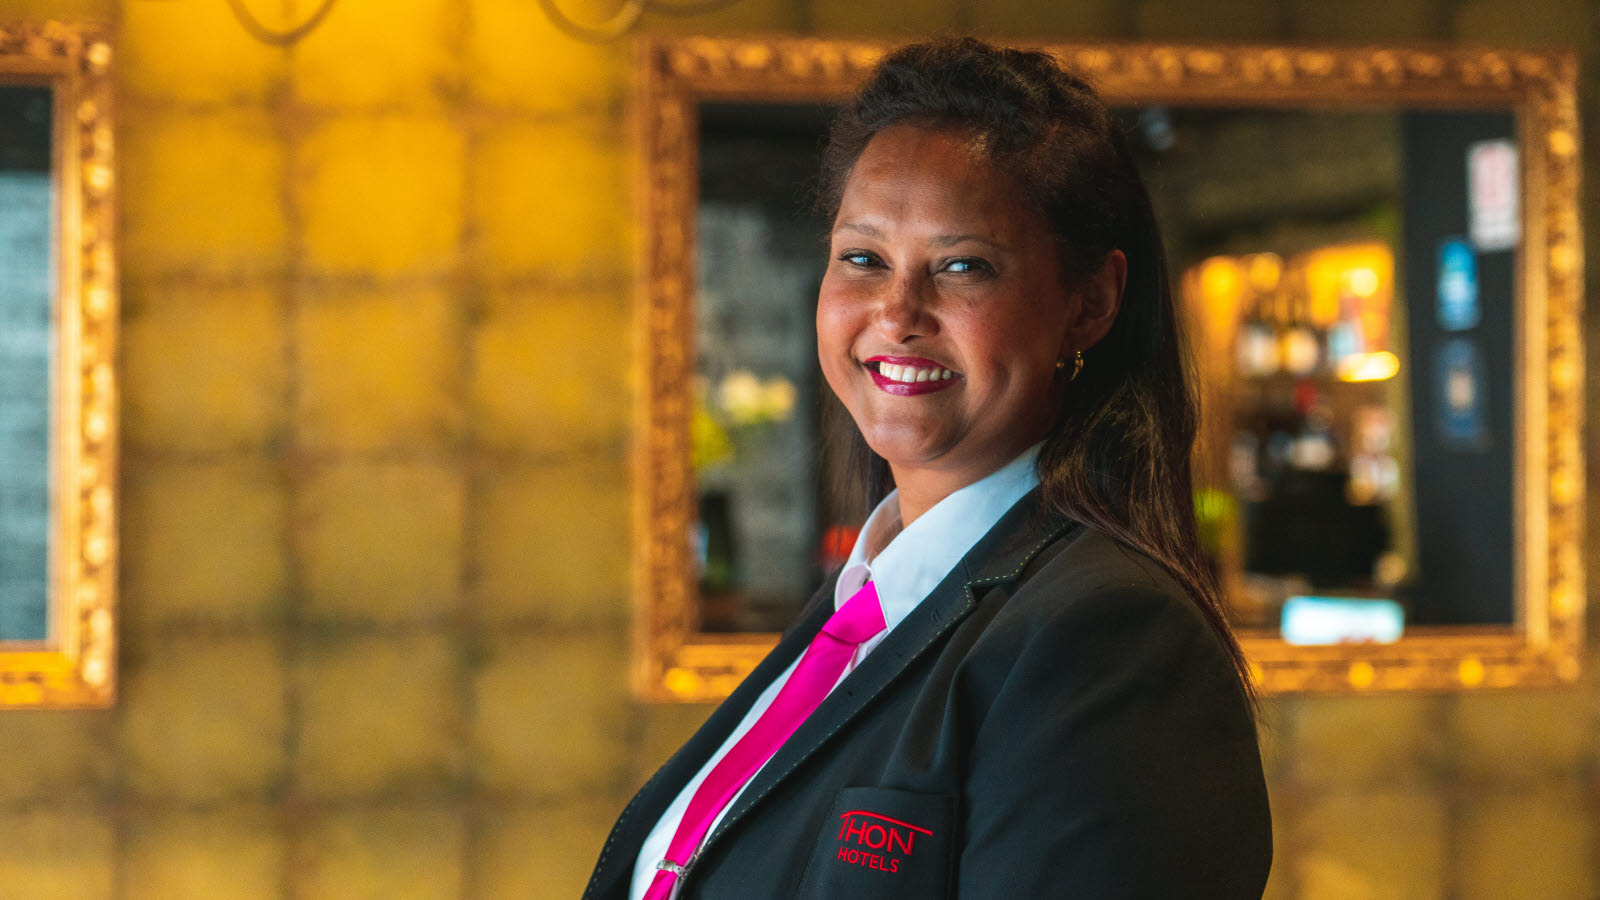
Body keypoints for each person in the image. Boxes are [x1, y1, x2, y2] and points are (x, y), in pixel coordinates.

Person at [585, 37, 1272, 899]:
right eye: (863, 259)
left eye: (961, 266)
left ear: (1090, 302)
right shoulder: (867, 600)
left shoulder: (1110, 637)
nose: (897, 312)